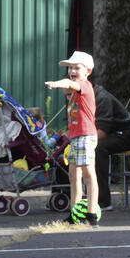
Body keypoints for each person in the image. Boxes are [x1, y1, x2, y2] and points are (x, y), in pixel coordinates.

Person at [45, 51, 100, 226]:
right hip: (76, 138)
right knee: (73, 176)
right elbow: (68, 86)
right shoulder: (73, 93)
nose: (72, 70)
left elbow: (69, 83)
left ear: (88, 71)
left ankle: (91, 214)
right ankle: (75, 213)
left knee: (88, 175)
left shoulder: (85, 86)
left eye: (77, 67)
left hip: (86, 136)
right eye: (70, 68)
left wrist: (55, 83)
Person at [93, 85, 130, 211]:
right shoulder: (73, 97)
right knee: (66, 145)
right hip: (104, 134)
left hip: (124, 134)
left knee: (96, 148)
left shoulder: (101, 98)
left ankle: (103, 201)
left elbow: (102, 133)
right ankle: (64, 194)